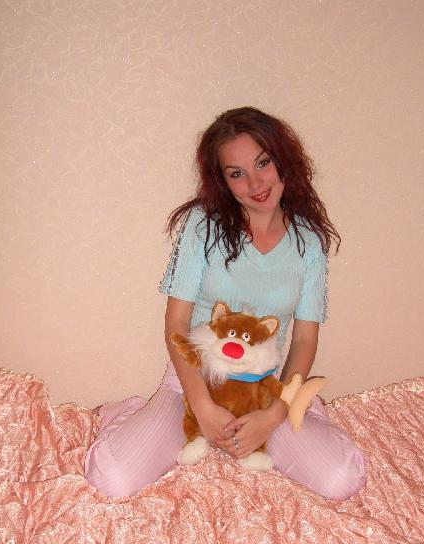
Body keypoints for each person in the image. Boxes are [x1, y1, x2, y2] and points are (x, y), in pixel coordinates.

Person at [84, 107, 367, 500]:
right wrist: (201, 406)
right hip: (190, 387)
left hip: (263, 391)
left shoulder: (308, 243)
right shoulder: (202, 226)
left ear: (283, 159)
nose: (255, 183)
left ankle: (310, 412)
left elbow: (304, 339)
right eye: (237, 173)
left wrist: (274, 414)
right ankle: (126, 413)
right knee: (110, 479)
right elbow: (176, 325)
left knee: (343, 480)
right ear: (224, 181)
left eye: (263, 163)